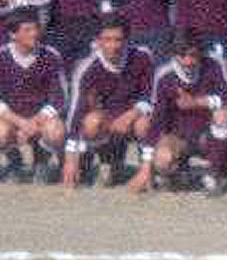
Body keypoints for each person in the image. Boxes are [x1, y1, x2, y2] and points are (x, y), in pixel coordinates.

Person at [128, 29, 227, 197]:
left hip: (207, 135)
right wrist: (145, 168)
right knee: (163, 159)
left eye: (193, 55)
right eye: (181, 55)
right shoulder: (164, 76)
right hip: (178, 137)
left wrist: (198, 102)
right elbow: (156, 122)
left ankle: (216, 172)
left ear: (201, 52)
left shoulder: (214, 65)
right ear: (173, 54)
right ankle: (178, 173)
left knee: (222, 114)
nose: (187, 61)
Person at [60, 14, 156, 188]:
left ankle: (147, 170)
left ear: (127, 39)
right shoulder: (87, 67)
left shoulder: (142, 57)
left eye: (118, 39)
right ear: (98, 41)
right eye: (107, 39)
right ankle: (99, 161)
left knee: (145, 123)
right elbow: (75, 111)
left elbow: (151, 95)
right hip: (106, 120)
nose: (113, 45)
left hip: (134, 118)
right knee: (91, 122)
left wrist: (131, 114)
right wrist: (70, 159)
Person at [0, 8, 68, 183]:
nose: (34, 34)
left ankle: (42, 161)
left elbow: (60, 98)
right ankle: (14, 162)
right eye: (27, 30)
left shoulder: (51, 55)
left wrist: (35, 122)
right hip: (15, 118)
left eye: (36, 28)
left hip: (42, 118)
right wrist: (21, 123)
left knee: (56, 131)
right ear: (13, 34)